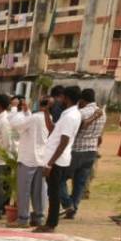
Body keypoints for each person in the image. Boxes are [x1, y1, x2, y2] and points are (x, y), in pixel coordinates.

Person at [36, 85, 82, 233]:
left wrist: (50, 164)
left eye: (61, 98)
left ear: (66, 98)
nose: (58, 100)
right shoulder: (67, 113)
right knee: (52, 191)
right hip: (56, 158)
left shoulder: (71, 116)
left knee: (53, 193)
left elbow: (64, 141)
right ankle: (50, 222)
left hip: (57, 160)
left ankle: (51, 223)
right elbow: (52, 130)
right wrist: (46, 112)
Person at [63, 88, 103, 220]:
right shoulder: (102, 113)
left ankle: (68, 204)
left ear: (82, 100)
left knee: (60, 179)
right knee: (80, 183)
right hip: (91, 150)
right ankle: (73, 209)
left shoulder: (81, 113)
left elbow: (79, 127)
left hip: (77, 150)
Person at [11, 96, 49, 227]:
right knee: (38, 191)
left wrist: (19, 110)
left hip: (28, 158)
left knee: (24, 190)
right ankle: (38, 217)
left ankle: (23, 218)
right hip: (41, 158)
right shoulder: (48, 118)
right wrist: (26, 112)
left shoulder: (34, 117)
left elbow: (15, 124)